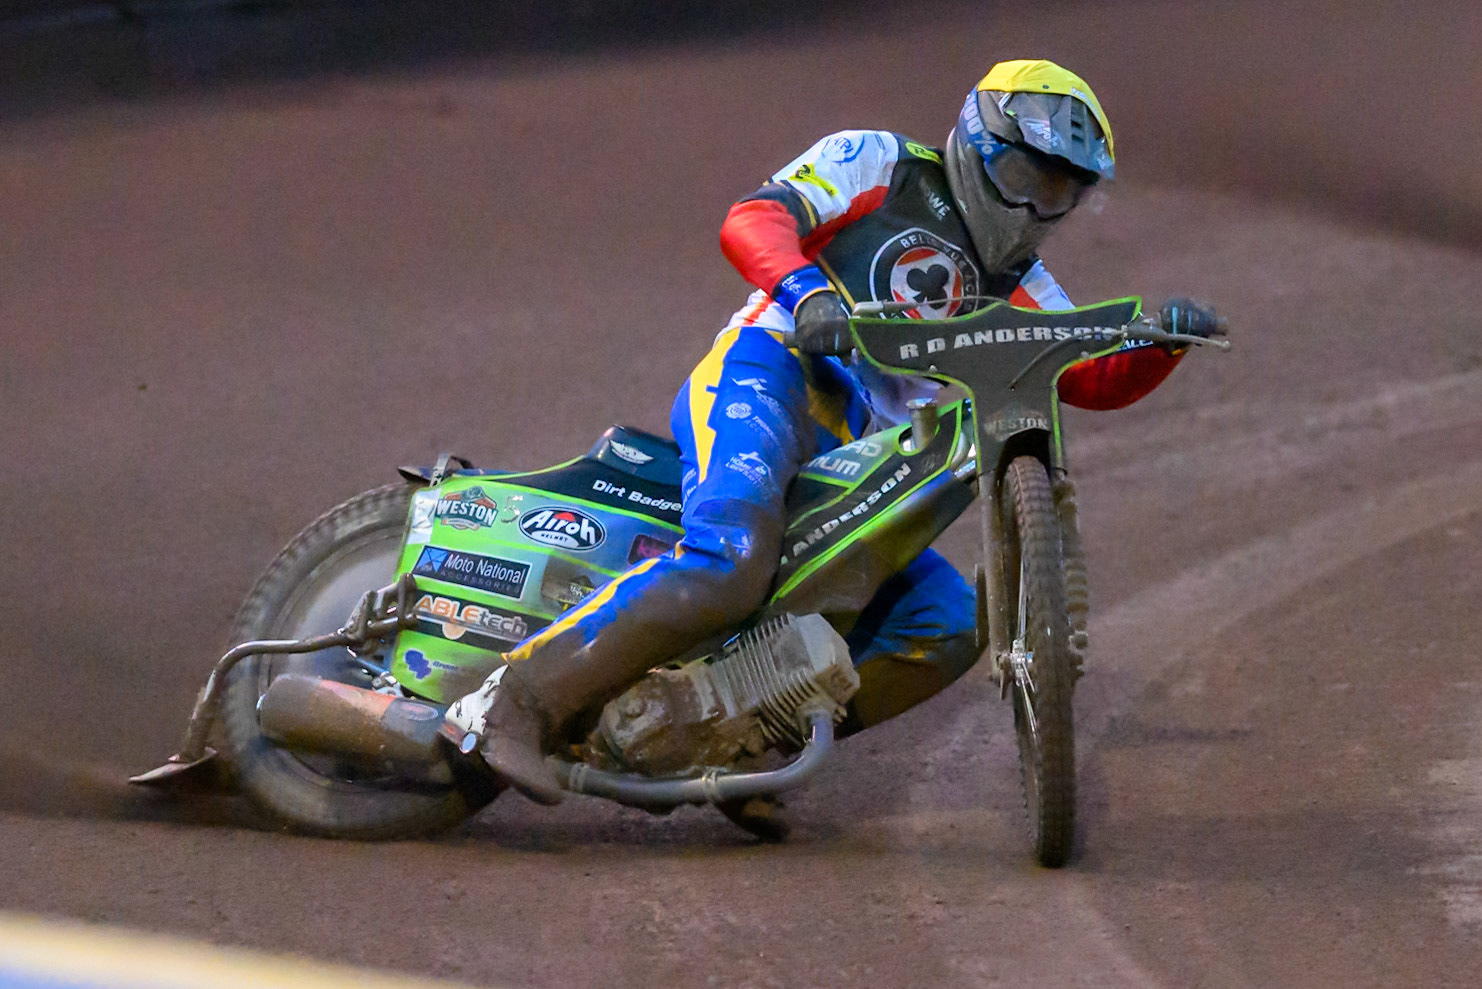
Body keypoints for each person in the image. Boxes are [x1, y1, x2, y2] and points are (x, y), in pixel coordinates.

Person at [449, 59, 1222, 806]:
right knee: (732, 559)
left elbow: (1085, 377)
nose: (1030, 210)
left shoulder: (1025, 287)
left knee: (948, 623)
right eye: (1024, 179)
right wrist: (808, 291)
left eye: (1057, 193)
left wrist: (1162, 346)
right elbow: (755, 216)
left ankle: (740, 741)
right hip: (772, 369)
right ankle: (508, 705)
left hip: (863, 453)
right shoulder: (879, 164)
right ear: (975, 147)